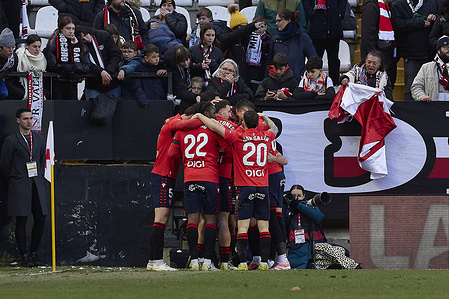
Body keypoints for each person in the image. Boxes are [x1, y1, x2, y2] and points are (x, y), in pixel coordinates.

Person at [195, 109, 276, 271]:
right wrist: (265, 117)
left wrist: (200, 116)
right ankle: (265, 263)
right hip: (263, 187)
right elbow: (275, 129)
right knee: (264, 228)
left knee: (243, 227)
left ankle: (243, 262)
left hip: (245, 187)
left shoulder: (239, 137)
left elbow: (216, 127)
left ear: (244, 123)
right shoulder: (266, 136)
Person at [168, 101, 230, 271]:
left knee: (192, 221)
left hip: (190, 178)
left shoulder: (181, 131)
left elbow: (171, 154)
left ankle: (194, 260)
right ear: (208, 114)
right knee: (211, 220)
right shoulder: (213, 130)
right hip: (210, 178)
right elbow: (228, 149)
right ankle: (208, 262)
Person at [146, 104, 203, 271]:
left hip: (166, 175)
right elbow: (186, 125)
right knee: (161, 218)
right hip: (163, 174)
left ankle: (152, 261)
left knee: (162, 218)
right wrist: (202, 119)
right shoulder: (174, 122)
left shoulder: (173, 123)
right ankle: (156, 260)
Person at [0, 108, 48, 267]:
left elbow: (41, 160)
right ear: (18, 120)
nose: (29, 121)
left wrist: (38, 175)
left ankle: (33, 252)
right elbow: (5, 164)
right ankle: (24, 256)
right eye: (25, 118)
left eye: (31, 118)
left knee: (40, 218)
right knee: (21, 220)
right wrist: (16, 176)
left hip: (36, 183)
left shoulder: (39, 139)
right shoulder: (11, 140)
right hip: (19, 184)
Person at [285, 185, 361, 269]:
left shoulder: (310, 206)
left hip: (316, 246)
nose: (296, 198)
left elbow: (319, 217)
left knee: (338, 250)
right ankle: (352, 267)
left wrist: (298, 206)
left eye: (299, 196)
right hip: (300, 250)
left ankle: (353, 267)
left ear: (304, 196)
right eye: (294, 196)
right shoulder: (288, 211)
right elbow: (282, 224)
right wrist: (284, 203)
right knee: (329, 255)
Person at [391, 0, 439, 101]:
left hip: (430, 55)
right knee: (411, 88)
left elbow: (442, 17)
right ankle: (410, 115)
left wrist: (434, 17)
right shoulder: (399, 3)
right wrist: (419, 22)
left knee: (431, 90)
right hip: (410, 55)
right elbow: (397, 24)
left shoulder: (433, 2)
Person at [213, 100, 238, 270]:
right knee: (225, 219)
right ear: (221, 111)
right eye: (229, 110)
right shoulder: (229, 126)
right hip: (224, 177)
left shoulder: (203, 123)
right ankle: (224, 260)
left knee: (202, 219)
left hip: (206, 175)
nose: (231, 114)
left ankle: (202, 258)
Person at [44, 17, 90, 100]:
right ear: (61, 29)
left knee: (71, 110)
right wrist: (68, 71)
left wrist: (74, 67)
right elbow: (52, 65)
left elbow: (87, 65)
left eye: (73, 29)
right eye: (68, 28)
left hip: (72, 83)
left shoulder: (79, 43)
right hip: (57, 83)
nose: (71, 31)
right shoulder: (54, 42)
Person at [303, 0, 346, 85]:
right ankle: (313, 85)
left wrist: (339, 14)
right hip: (316, 29)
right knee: (315, 60)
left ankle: (334, 85)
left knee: (334, 60)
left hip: (333, 28)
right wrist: (311, 13)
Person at [217, 4, 263, 84]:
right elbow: (234, 35)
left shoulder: (246, 39)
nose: (245, 30)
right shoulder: (225, 36)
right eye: (242, 27)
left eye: (246, 27)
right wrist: (250, 27)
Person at [267, 9, 316, 82]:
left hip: (297, 82)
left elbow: (314, 60)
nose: (276, 23)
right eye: (276, 21)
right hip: (277, 82)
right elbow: (269, 62)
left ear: (288, 20)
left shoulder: (303, 38)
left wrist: (304, 74)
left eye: (279, 21)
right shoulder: (275, 39)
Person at [77, 26, 121, 100]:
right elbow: (86, 62)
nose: (85, 39)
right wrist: (101, 72)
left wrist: (108, 72)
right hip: (94, 85)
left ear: (88, 32)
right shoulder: (80, 46)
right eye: (82, 39)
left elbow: (115, 55)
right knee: (93, 109)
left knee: (114, 108)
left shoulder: (104, 36)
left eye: (85, 35)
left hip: (113, 82)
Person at [361, 0, 397, 88]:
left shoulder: (388, 7)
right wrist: (373, 60)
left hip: (386, 58)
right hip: (376, 61)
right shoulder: (371, 7)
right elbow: (368, 35)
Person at [5, 34, 47, 101]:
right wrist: (22, 93)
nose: (37, 49)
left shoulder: (43, 59)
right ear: (27, 45)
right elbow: (10, 80)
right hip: (19, 96)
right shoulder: (19, 56)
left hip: (38, 96)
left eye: (39, 47)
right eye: (34, 46)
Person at [411, 35, 449, 102]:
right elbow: (416, 87)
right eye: (446, 47)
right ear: (438, 50)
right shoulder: (426, 67)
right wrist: (422, 96)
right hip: (433, 108)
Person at [164, 45, 199, 113]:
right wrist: (195, 97)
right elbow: (179, 91)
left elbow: (191, 66)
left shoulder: (187, 65)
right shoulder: (173, 70)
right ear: (177, 62)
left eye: (187, 60)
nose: (186, 64)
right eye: (182, 62)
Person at [246, 16, 271, 93]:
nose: (259, 29)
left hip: (262, 70)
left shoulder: (269, 40)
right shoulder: (248, 38)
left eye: (262, 27)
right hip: (249, 71)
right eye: (257, 27)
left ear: (266, 27)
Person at [0, 27, 17, 100]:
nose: (11, 50)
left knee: (4, 93)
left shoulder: (14, 58)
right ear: (0, 48)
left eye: (13, 47)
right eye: (8, 47)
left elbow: (10, 70)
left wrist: (2, 74)